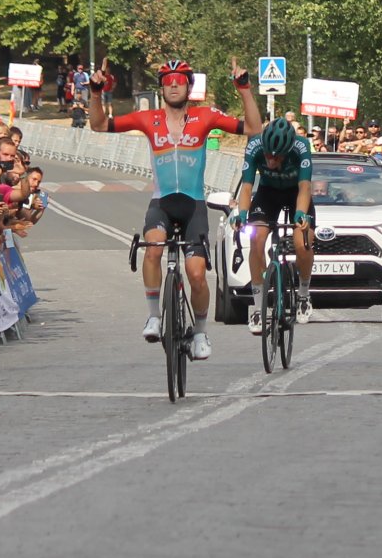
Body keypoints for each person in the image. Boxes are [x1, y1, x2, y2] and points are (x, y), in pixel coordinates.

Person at [90, 56, 263, 360]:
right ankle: (154, 316)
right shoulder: (148, 119)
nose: (173, 85)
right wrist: (95, 92)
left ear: (189, 86)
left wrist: (244, 89)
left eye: (179, 80)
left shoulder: (205, 117)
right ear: (160, 87)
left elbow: (253, 128)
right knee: (153, 248)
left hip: (193, 204)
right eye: (167, 81)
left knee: (196, 274)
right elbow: (99, 124)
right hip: (162, 202)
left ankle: (199, 332)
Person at [232, 116, 316, 333]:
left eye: (276, 157)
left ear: (287, 151)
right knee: (256, 238)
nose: (270, 160)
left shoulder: (301, 147)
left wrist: (300, 215)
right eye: (267, 154)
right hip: (267, 193)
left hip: (295, 192)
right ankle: (258, 307)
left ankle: (304, 294)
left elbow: (305, 187)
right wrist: (241, 213)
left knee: (303, 243)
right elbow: (248, 187)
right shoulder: (254, 146)